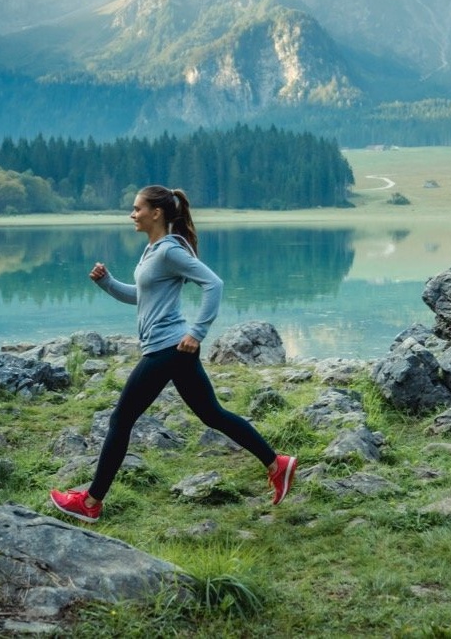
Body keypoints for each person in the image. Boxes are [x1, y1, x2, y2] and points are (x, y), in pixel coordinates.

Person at [50, 184, 297, 523]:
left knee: (120, 421)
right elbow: (143, 296)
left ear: (157, 213)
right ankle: (277, 464)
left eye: (137, 209)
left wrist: (197, 332)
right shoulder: (153, 252)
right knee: (212, 413)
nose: (132, 214)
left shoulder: (168, 251)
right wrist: (107, 283)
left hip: (168, 348)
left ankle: (90, 503)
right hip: (172, 348)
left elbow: (215, 284)